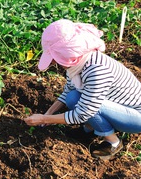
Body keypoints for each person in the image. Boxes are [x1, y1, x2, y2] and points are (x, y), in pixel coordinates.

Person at [24, 19, 141, 160]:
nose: (54, 62)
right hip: (115, 107)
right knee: (72, 97)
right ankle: (90, 129)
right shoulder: (78, 64)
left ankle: (113, 142)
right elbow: (68, 91)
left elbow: (83, 113)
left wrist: (44, 118)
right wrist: (48, 113)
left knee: (88, 105)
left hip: (135, 116)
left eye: (55, 57)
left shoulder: (96, 70)